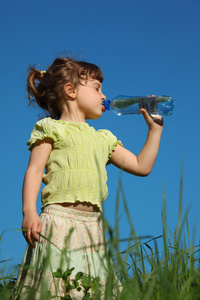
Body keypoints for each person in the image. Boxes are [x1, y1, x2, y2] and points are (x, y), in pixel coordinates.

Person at [14, 56, 163, 299]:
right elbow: (34, 169)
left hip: (93, 227)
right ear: (71, 91)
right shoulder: (51, 128)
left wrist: (155, 130)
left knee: (91, 290)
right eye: (97, 88)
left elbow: (141, 165)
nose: (104, 96)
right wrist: (29, 211)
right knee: (51, 288)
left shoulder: (103, 138)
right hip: (57, 222)